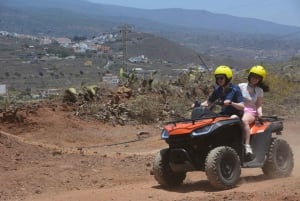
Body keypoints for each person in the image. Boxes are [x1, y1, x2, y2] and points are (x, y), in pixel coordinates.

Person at [239, 65, 269, 155]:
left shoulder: (259, 90)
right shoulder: (241, 86)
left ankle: (247, 146)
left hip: (250, 111)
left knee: (244, 120)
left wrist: (260, 113)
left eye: (257, 78)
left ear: (260, 80)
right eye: (253, 76)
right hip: (238, 108)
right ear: (250, 76)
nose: (254, 79)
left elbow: (259, 105)